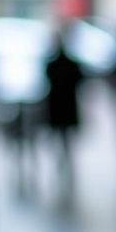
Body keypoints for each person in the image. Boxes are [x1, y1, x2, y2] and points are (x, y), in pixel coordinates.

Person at [44, 28, 85, 199]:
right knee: (66, 141)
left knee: (62, 140)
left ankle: (63, 165)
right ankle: (66, 166)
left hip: (58, 108)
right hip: (66, 108)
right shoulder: (70, 63)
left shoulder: (51, 64)